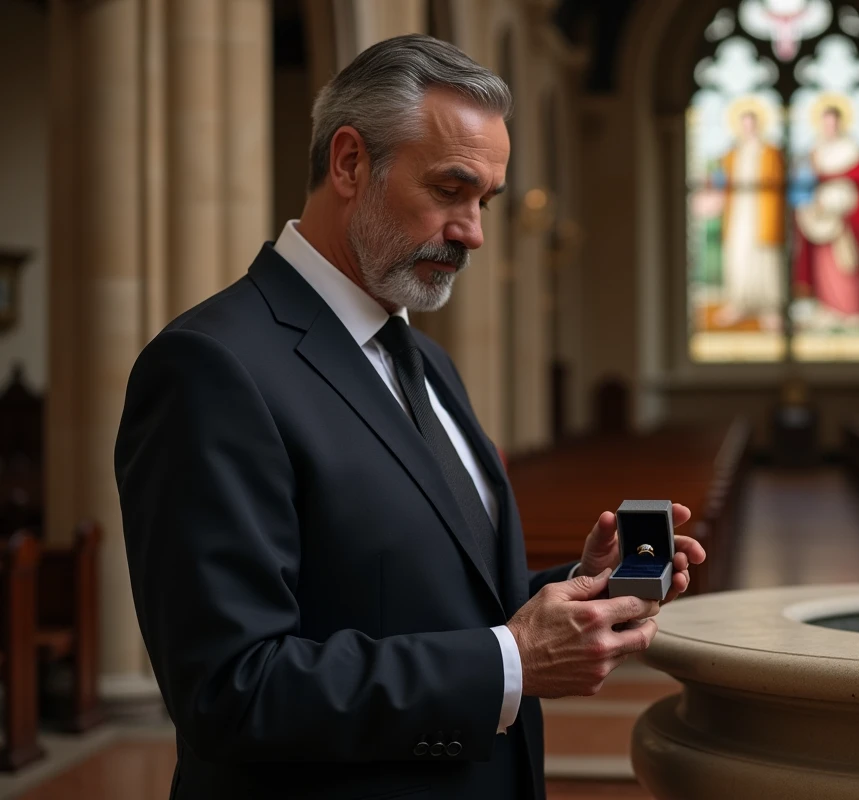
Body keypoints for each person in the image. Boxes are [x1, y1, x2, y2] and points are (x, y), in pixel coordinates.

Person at [114, 34, 704, 800]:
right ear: (351, 162)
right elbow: (230, 690)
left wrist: (579, 588)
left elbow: (425, 597)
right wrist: (514, 661)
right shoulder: (212, 366)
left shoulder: (425, 361)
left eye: (485, 200)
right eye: (452, 190)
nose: (475, 232)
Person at [793, 104, 859, 323]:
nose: (829, 127)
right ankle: (828, 307)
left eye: (833, 122)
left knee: (847, 262)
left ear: (840, 123)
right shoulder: (815, 150)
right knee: (824, 264)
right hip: (820, 218)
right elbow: (804, 183)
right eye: (825, 123)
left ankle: (852, 309)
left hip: (845, 216)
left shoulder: (851, 149)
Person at [712, 107, 787, 331]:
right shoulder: (732, 154)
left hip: (763, 212)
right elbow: (721, 181)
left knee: (765, 259)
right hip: (739, 213)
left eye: (751, 124)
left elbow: (779, 184)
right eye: (744, 124)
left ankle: (770, 309)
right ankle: (738, 304)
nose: (748, 129)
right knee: (739, 256)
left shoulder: (770, 151)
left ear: (758, 125)